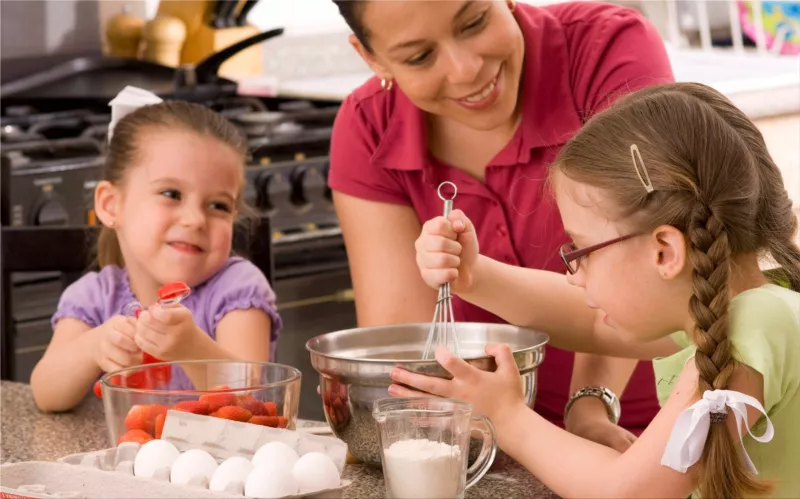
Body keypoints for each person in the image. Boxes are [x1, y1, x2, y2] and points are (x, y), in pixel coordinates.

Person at [393, 81, 800, 498]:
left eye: (581, 249)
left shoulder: (754, 326)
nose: (575, 273)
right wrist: (474, 275)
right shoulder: (745, 308)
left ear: (664, 252)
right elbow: (588, 318)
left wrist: (507, 416)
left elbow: (627, 492)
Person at [328, 0, 674, 448]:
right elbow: (410, 365)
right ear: (370, 57)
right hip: (493, 440)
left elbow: (634, 278)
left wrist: (589, 408)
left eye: (474, 22)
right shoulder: (368, 127)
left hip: (664, 424)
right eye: (420, 57)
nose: (465, 68)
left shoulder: (608, 49)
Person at [31, 88, 282, 412]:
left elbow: (253, 401)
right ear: (111, 205)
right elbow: (46, 395)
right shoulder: (94, 297)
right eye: (171, 193)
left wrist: (190, 347)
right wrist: (93, 347)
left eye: (218, 205)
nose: (194, 220)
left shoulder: (238, 288)